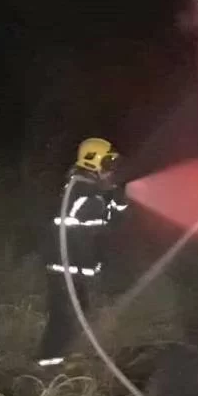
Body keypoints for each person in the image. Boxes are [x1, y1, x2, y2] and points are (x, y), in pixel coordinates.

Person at [36, 137, 128, 367]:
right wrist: (117, 201)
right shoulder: (88, 195)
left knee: (72, 315)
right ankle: (47, 366)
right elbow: (109, 227)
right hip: (67, 269)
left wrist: (113, 196)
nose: (110, 172)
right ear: (92, 163)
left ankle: (58, 359)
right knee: (64, 319)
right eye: (107, 165)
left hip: (68, 268)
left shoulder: (81, 188)